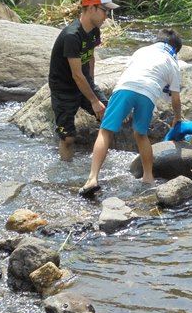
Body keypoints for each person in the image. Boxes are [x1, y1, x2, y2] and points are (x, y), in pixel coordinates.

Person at [78, 28, 183, 196]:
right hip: (148, 94)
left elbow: (125, 74)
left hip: (125, 88)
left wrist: (123, 108)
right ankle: (148, 178)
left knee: (106, 131)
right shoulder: (172, 61)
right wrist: (178, 118)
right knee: (140, 134)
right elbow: (175, 99)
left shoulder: (141, 51)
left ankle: (92, 179)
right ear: (175, 49)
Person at [48, 0, 118, 161]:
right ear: (91, 8)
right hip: (64, 89)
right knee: (68, 138)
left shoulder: (94, 30)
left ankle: (101, 160)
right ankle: (66, 171)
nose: (107, 16)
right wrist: (94, 101)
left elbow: (91, 56)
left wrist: (92, 83)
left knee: (109, 116)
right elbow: (76, 75)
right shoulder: (72, 36)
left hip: (84, 83)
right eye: (104, 11)